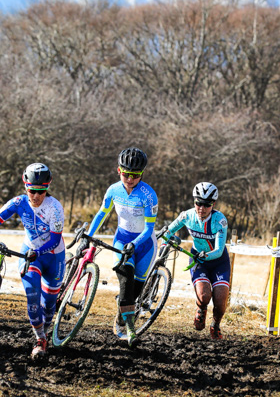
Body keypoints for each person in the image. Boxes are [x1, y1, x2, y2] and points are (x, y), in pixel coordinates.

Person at [0, 163, 65, 359]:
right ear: (26, 187)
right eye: (32, 191)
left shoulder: (55, 208)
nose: (36, 196)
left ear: (47, 188)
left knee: (49, 304)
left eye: (41, 191)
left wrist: (39, 251)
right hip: (30, 254)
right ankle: (40, 339)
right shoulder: (18, 202)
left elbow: (55, 239)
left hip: (53, 256)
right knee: (32, 295)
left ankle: (46, 331)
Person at [86, 147, 158, 347]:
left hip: (145, 244)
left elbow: (149, 228)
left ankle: (121, 314)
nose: (130, 179)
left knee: (134, 291)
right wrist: (88, 236)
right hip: (122, 239)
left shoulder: (149, 195)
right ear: (119, 170)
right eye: (126, 174)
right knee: (125, 279)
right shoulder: (113, 190)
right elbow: (102, 214)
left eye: (135, 175)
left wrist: (134, 245)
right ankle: (130, 329)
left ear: (142, 174)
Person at [161, 182, 230, 340]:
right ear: (194, 202)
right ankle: (201, 309)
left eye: (207, 205)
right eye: (198, 203)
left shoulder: (220, 221)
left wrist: (206, 255)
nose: (202, 208)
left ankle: (216, 324)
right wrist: (164, 241)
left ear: (213, 204)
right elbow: (168, 230)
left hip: (219, 261)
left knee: (220, 301)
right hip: (198, 259)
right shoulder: (187, 216)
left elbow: (219, 250)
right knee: (204, 295)